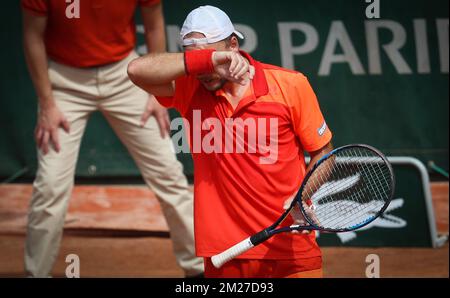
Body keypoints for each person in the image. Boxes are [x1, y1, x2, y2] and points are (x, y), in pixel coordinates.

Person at [127, 5, 334, 278]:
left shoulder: (290, 85)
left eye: (213, 56)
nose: (205, 71)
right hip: (225, 253)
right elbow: (135, 70)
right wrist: (207, 61)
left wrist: (302, 196)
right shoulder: (189, 88)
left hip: (292, 249)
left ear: (233, 45)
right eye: (198, 62)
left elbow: (324, 154)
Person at [21, 0, 203, 277]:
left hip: (126, 74)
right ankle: (36, 273)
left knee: (169, 175)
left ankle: (198, 271)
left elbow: (154, 23)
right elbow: (32, 36)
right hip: (63, 82)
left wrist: (158, 91)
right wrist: (47, 103)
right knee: (50, 187)